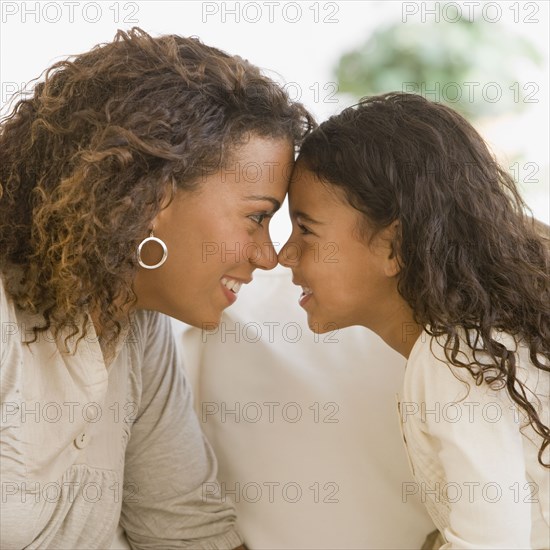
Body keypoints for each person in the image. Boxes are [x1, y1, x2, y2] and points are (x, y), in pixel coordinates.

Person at [0, 27, 312, 548]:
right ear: (153, 196)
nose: (267, 255)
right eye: (257, 217)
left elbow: (186, 527)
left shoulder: (135, 323)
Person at [278, 92, 549, 549]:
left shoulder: (451, 360)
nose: (284, 255)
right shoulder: (486, 341)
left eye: (305, 229)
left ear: (393, 246)